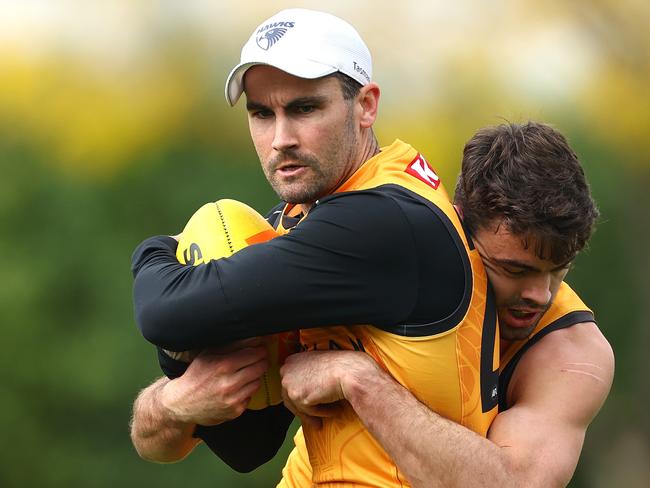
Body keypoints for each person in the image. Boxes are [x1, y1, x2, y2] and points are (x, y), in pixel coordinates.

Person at [130, 7, 499, 486]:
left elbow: (163, 313)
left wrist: (156, 250)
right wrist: (177, 399)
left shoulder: (381, 222)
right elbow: (248, 443)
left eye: (304, 108)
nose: (280, 139)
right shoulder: (315, 218)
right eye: (262, 113)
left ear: (366, 105)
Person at [279, 122, 615, 487]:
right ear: (455, 229)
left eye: (558, 270)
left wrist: (358, 379)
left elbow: (517, 484)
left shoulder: (573, 355)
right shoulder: (394, 258)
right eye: (514, 269)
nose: (541, 294)